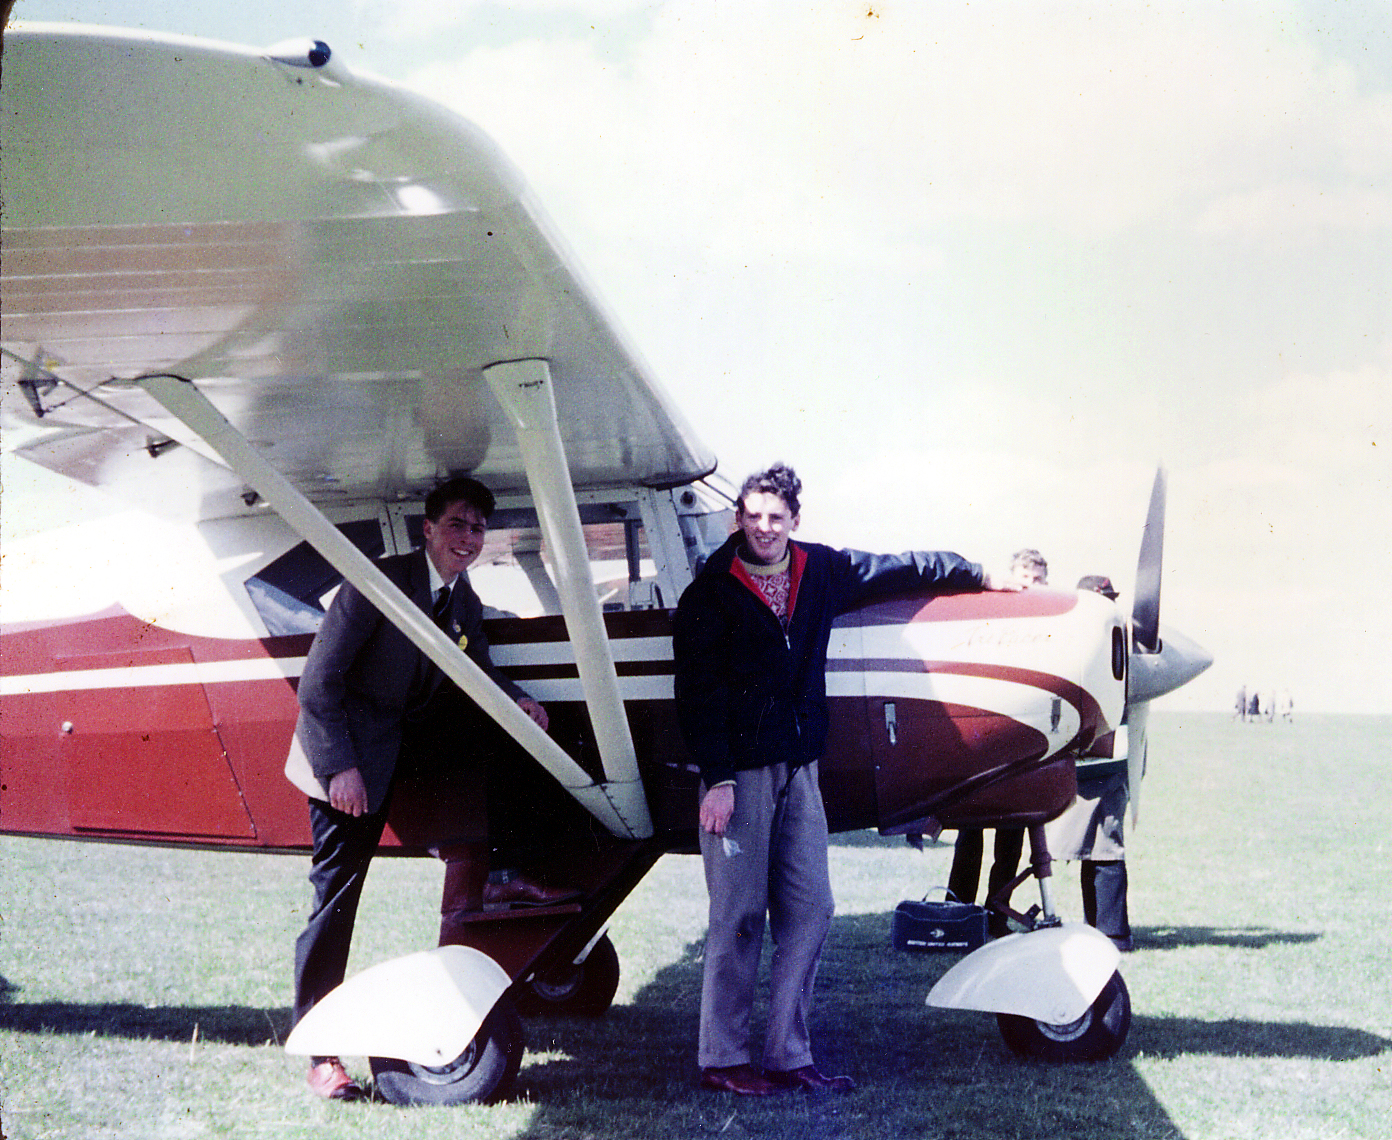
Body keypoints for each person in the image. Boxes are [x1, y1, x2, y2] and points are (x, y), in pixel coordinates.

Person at [672, 463, 1016, 1096]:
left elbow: (903, 566)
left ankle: (788, 1055)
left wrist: (980, 573)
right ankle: (723, 1060)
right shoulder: (712, 590)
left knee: (810, 909)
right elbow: (698, 694)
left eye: (776, 517)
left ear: (794, 520)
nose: (764, 528)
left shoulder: (820, 570)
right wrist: (717, 778)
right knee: (740, 914)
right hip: (738, 777)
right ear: (737, 520)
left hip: (801, 771)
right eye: (752, 517)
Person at [287, 476, 573, 1101]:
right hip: (343, 758)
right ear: (428, 529)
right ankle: (319, 1054)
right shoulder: (375, 585)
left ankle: (503, 872)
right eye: (456, 526)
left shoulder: (462, 598)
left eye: (477, 529)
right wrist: (340, 770)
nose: (467, 539)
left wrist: (521, 701)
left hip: (398, 748)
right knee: (336, 900)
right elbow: (317, 689)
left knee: (503, 734)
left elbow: (480, 671)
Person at [945, 548, 1046, 931]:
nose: (1028, 585)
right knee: (969, 836)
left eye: (1036, 579)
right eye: (1023, 576)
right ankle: (957, 911)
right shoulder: (988, 616)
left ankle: (997, 913)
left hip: (1021, 750)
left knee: (1011, 843)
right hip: (985, 748)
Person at [1044, 574, 1132, 951]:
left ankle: (1110, 932)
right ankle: (1103, 930)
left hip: (1104, 760)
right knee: (1097, 847)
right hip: (1091, 759)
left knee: (1104, 846)